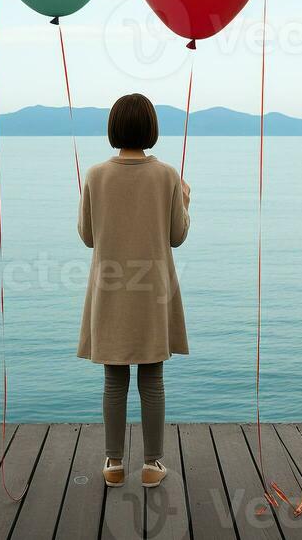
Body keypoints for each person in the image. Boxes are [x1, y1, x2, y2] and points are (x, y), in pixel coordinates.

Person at [77, 92, 191, 488]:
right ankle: (151, 465)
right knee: (152, 379)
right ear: (151, 129)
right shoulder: (167, 176)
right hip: (153, 290)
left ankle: (113, 463)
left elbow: (88, 237)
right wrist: (185, 201)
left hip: (110, 288)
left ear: (113, 129)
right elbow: (177, 236)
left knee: (114, 380)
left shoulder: (95, 175)